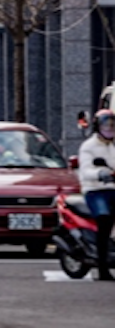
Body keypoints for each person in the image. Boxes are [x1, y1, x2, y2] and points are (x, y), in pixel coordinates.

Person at [79, 109, 115, 280]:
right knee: (104, 220)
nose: (109, 128)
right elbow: (85, 171)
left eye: (112, 125)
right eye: (106, 125)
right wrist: (100, 173)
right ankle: (102, 267)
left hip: (113, 188)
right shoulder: (88, 146)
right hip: (95, 189)